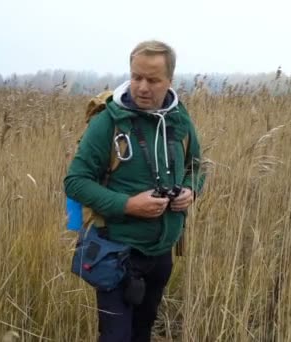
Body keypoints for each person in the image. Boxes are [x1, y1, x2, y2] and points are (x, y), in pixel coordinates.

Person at [64, 40, 205, 342]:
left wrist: (191, 190)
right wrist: (128, 205)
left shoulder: (180, 120)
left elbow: (197, 167)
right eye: (136, 76)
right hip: (116, 252)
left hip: (161, 254)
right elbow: (75, 181)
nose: (142, 87)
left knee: (142, 332)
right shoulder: (108, 121)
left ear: (170, 80)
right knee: (116, 337)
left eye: (153, 80)